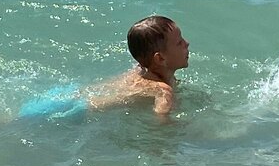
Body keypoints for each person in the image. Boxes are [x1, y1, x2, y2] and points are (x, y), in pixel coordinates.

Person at [19, 15, 190, 121]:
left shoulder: (141, 69)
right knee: (19, 123)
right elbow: (161, 120)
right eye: (179, 42)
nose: (187, 43)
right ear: (160, 58)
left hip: (69, 94)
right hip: (77, 111)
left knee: (15, 120)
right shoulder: (162, 90)